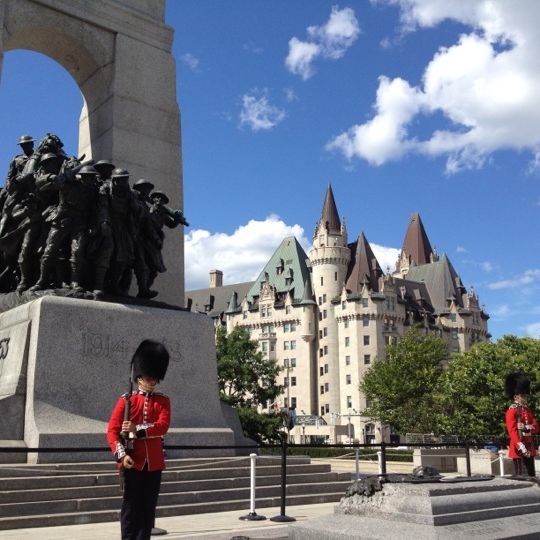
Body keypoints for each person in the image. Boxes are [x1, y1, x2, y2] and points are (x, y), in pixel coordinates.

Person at [107, 340, 170, 540]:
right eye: (149, 377)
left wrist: (136, 430)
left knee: (147, 509)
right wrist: (121, 455)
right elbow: (112, 431)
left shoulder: (163, 401)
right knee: (130, 509)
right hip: (132, 461)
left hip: (154, 464)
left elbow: (162, 426)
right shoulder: (126, 400)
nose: (152, 381)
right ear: (139, 376)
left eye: (155, 378)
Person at [505, 372, 538, 477]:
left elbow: (536, 427)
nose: (525, 398)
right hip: (519, 448)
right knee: (521, 476)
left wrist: (526, 427)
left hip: (529, 447)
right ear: (516, 397)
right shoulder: (512, 411)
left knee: (531, 475)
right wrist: (521, 446)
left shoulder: (527, 410)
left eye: (525, 395)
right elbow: (512, 431)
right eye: (523, 395)